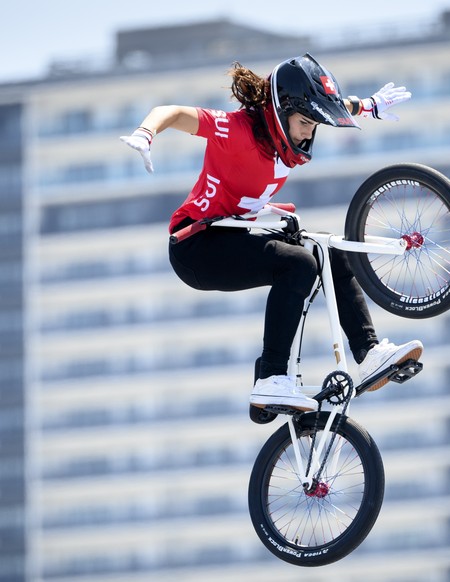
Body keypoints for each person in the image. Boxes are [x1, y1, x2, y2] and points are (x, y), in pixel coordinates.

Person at [121, 53, 423, 413]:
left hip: (233, 232)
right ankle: (271, 378)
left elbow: (338, 106)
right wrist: (146, 133)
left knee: (330, 251)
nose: (309, 132)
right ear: (280, 112)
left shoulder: (292, 125)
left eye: (314, 125)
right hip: (195, 246)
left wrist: (370, 106)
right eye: (305, 123)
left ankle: (368, 353)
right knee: (297, 265)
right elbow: (171, 111)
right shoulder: (234, 130)